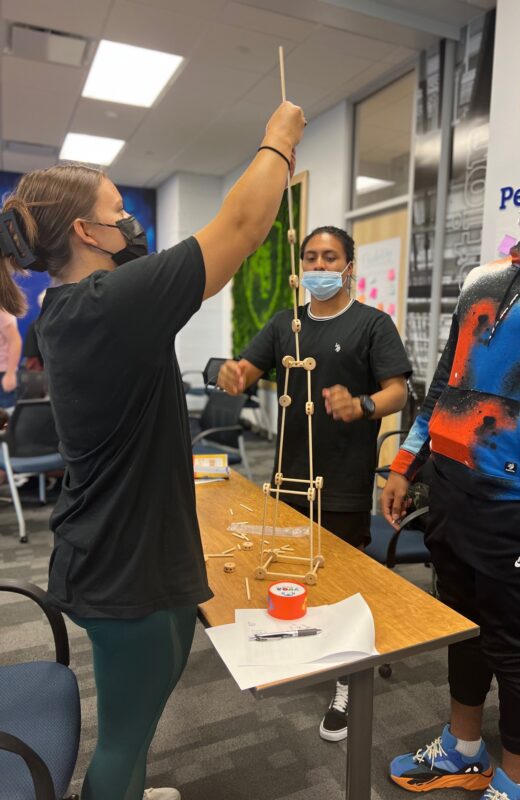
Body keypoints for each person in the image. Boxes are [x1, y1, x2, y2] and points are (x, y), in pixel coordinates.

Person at [0, 100, 305, 800]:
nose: (129, 223)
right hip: (118, 561)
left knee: (162, 675)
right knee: (123, 739)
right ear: (86, 231)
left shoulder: (82, 308)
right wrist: (278, 141)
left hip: (145, 542)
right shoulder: (105, 301)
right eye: (117, 209)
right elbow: (242, 225)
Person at [382, 149, 520, 800]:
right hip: (450, 487)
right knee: (464, 628)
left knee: (513, 647)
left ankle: (516, 782)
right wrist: (403, 465)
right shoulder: (482, 279)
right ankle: (463, 747)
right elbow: (445, 384)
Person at [217, 225, 412, 742]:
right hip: (289, 476)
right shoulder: (288, 324)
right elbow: (247, 367)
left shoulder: (373, 324)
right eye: (311, 257)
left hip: (343, 478)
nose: (319, 268)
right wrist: (232, 373)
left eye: (330, 258)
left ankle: (347, 682)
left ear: (349, 266)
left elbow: (397, 392)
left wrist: (363, 405)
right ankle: (304, 649)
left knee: (343, 581)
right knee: (293, 572)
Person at [0, 310, 22, 409]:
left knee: (8, 418)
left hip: (3, 374)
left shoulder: (2, 313)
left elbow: (15, 341)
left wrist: (10, 374)